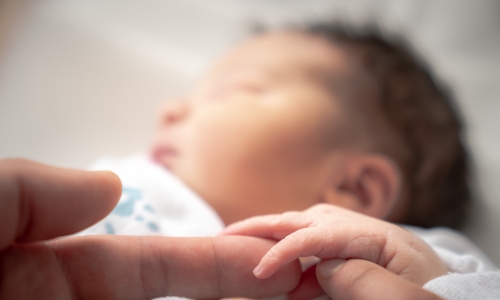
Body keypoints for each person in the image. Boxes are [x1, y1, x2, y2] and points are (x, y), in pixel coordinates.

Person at [0, 158, 446, 300]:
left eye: (236, 90)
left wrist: (442, 283)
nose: (172, 110)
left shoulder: (422, 259)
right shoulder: (130, 180)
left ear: (352, 187)